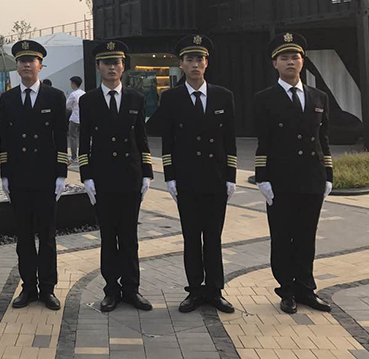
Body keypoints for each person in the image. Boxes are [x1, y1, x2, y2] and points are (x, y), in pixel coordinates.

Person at [255, 32, 333, 315]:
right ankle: (286, 289)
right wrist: (262, 177)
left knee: (306, 236)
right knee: (282, 236)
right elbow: (263, 140)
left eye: (295, 57)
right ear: (274, 63)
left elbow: (323, 138)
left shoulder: (318, 96)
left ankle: (306, 288)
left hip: (312, 178)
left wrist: (328, 174)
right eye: (284, 57)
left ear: (303, 61)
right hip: (281, 179)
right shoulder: (265, 99)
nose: (291, 62)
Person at [158, 35, 236, 314]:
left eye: (200, 59)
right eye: (189, 59)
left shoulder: (223, 95)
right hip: (187, 178)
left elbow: (230, 140)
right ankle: (194, 289)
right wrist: (170, 176)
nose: (195, 64)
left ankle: (215, 290)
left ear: (207, 63)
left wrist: (231, 176)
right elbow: (167, 140)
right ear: (181, 64)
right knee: (191, 238)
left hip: (215, 177)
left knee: (213, 238)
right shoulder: (171, 98)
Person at [79, 40, 153, 312]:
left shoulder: (136, 98)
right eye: (107, 63)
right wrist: (86, 176)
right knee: (108, 237)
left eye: (117, 63)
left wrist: (147, 173)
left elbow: (141, 138)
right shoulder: (88, 100)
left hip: (130, 176)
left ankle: (132, 289)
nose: (112, 68)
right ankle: (111, 289)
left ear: (123, 67)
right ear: (98, 67)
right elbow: (84, 140)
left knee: (129, 237)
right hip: (103, 178)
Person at [0, 40, 67, 311]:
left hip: (46, 176)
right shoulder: (8, 99)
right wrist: (4, 174)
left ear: (40, 65)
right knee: (24, 237)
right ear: (17, 66)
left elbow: (61, 137)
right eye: (22, 61)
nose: (26, 65)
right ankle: (28, 287)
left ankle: (48, 288)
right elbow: (4, 140)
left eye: (31, 61)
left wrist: (61, 173)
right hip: (19, 177)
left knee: (47, 236)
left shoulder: (55, 97)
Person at [65, 76, 84, 165]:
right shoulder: (84, 93)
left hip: (74, 118)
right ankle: (83, 155)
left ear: (73, 83)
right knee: (83, 137)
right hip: (83, 118)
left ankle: (74, 156)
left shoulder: (73, 94)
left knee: (73, 137)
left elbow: (67, 105)